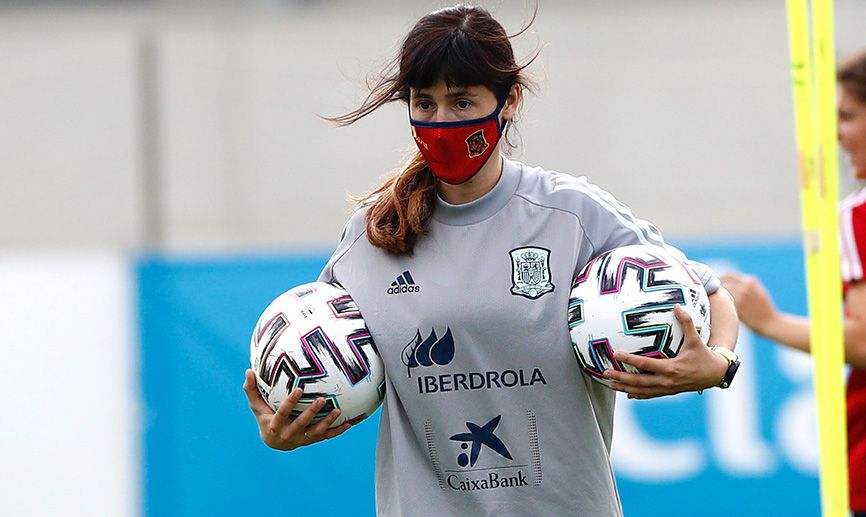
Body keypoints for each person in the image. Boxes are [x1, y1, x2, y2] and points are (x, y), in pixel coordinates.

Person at [243, 5, 740, 516]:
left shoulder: (571, 213)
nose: (441, 123)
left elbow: (710, 293)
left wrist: (717, 366)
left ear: (509, 101)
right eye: (425, 103)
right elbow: (321, 358)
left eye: (461, 102)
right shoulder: (375, 233)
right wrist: (285, 426)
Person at [721, 49, 866, 517]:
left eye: (845, 117)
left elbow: (864, 341)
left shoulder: (858, 217)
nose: (836, 135)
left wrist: (769, 322)